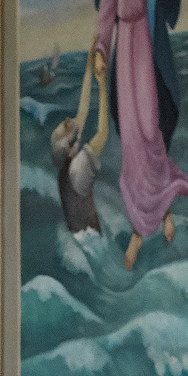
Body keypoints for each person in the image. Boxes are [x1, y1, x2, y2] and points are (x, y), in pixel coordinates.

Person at [82, 0, 188, 269]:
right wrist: (100, 49)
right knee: (130, 140)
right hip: (123, 49)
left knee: (150, 129)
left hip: (145, 44)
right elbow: (106, 9)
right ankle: (141, 227)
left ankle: (158, 211)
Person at [51, 46, 111, 236]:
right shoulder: (77, 170)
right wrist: (102, 85)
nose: (70, 119)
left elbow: (83, 110)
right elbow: (102, 133)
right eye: (67, 127)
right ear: (70, 148)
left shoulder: (64, 168)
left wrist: (89, 62)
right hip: (93, 242)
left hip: (81, 239)